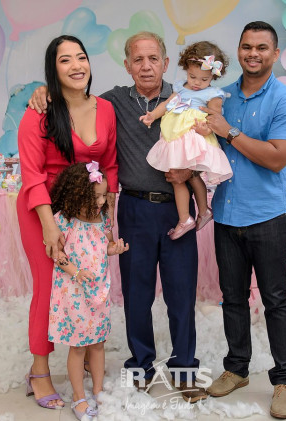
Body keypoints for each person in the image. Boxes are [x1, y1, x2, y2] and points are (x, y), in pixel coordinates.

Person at [29, 31, 208, 403]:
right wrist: (43, 91)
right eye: (138, 59)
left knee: (181, 295)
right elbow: (74, 97)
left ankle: (185, 370)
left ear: (165, 62)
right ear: (127, 65)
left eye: (153, 58)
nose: (146, 66)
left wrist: (192, 171)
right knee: (136, 295)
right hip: (134, 208)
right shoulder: (111, 103)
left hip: (177, 210)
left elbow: (209, 143)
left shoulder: (185, 98)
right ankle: (141, 366)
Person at [202, 22, 286, 420]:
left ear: (275, 54)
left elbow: (277, 158)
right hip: (227, 215)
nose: (253, 53)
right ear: (239, 50)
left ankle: (284, 381)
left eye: (262, 47)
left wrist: (229, 132)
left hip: (268, 216)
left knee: (276, 300)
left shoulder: (285, 100)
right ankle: (237, 368)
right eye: (247, 46)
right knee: (233, 298)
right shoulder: (221, 97)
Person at [18, 35, 118, 410]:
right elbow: (31, 174)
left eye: (81, 57)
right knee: (49, 287)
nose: (76, 65)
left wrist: (107, 215)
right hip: (43, 209)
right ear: (53, 69)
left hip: (87, 214)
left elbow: (109, 164)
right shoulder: (39, 111)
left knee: (86, 283)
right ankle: (39, 371)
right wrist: (49, 226)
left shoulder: (105, 108)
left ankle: (87, 360)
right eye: (65, 60)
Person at [48, 162, 129, 420]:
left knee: (98, 344)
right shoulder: (64, 221)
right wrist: (75, 271)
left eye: (104, 196)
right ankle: (78, 396)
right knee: (78, 347)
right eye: (95, 197)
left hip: (98, 292)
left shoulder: (102, 219)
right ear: (77, 194)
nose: (101, 201)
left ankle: (98, 390)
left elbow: (103, 246)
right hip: (74, 293)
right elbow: (57, 254)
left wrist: (114, 249)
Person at [139, 41, 232, 239]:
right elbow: (167, 104)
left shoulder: (213, 94)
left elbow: (215, 117)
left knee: (185, 175)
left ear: (213, 76)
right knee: (184, 176)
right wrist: (152, 115)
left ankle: (190, 216)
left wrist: (206, 129)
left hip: (192, 135)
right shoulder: (181, 88)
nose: (197, 83)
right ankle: (201, 212)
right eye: (192, 76)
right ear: (186, 69)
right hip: (175, 135)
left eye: (204, 79)